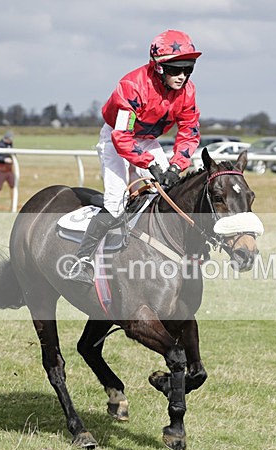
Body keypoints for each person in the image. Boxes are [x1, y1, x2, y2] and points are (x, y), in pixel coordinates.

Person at [66, 29, 202, 285]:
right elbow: (122, 138)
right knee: (116, 203)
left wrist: (176, 166)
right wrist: (150, 164)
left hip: (147, 140)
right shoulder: (132, 87)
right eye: (175, 69)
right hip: (116, 138)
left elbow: (189, 132)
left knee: (168, 193)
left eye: (188, 69)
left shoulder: (188, 92)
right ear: (159, 68)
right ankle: (81, 260)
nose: (182, 76)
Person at [0, 131, 15, 205]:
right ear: (6, 138)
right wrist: (4, 159)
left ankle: (13, 201)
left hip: (9, 169)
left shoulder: (10, 144)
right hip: (0, 169)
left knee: (13, 185)